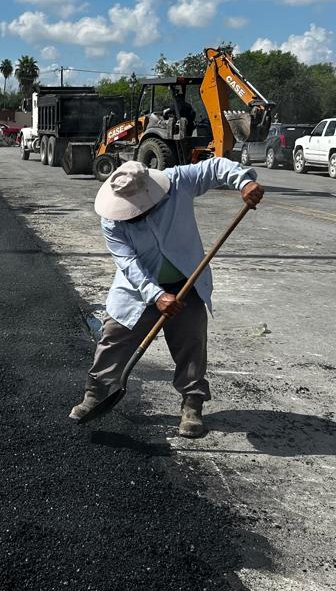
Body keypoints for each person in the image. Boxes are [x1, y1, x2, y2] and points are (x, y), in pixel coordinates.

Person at [70, 158, 264, 438]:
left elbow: (218, 167)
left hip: (187, 282)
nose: (132, 216)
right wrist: (157, 295)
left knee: (192, 343)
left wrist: (244, 182)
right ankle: (96, 393)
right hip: (137, 290)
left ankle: (192, 403)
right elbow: (128, 263)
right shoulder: (111, 220)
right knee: (113, 338)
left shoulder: (179, 182)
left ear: (150, 194)